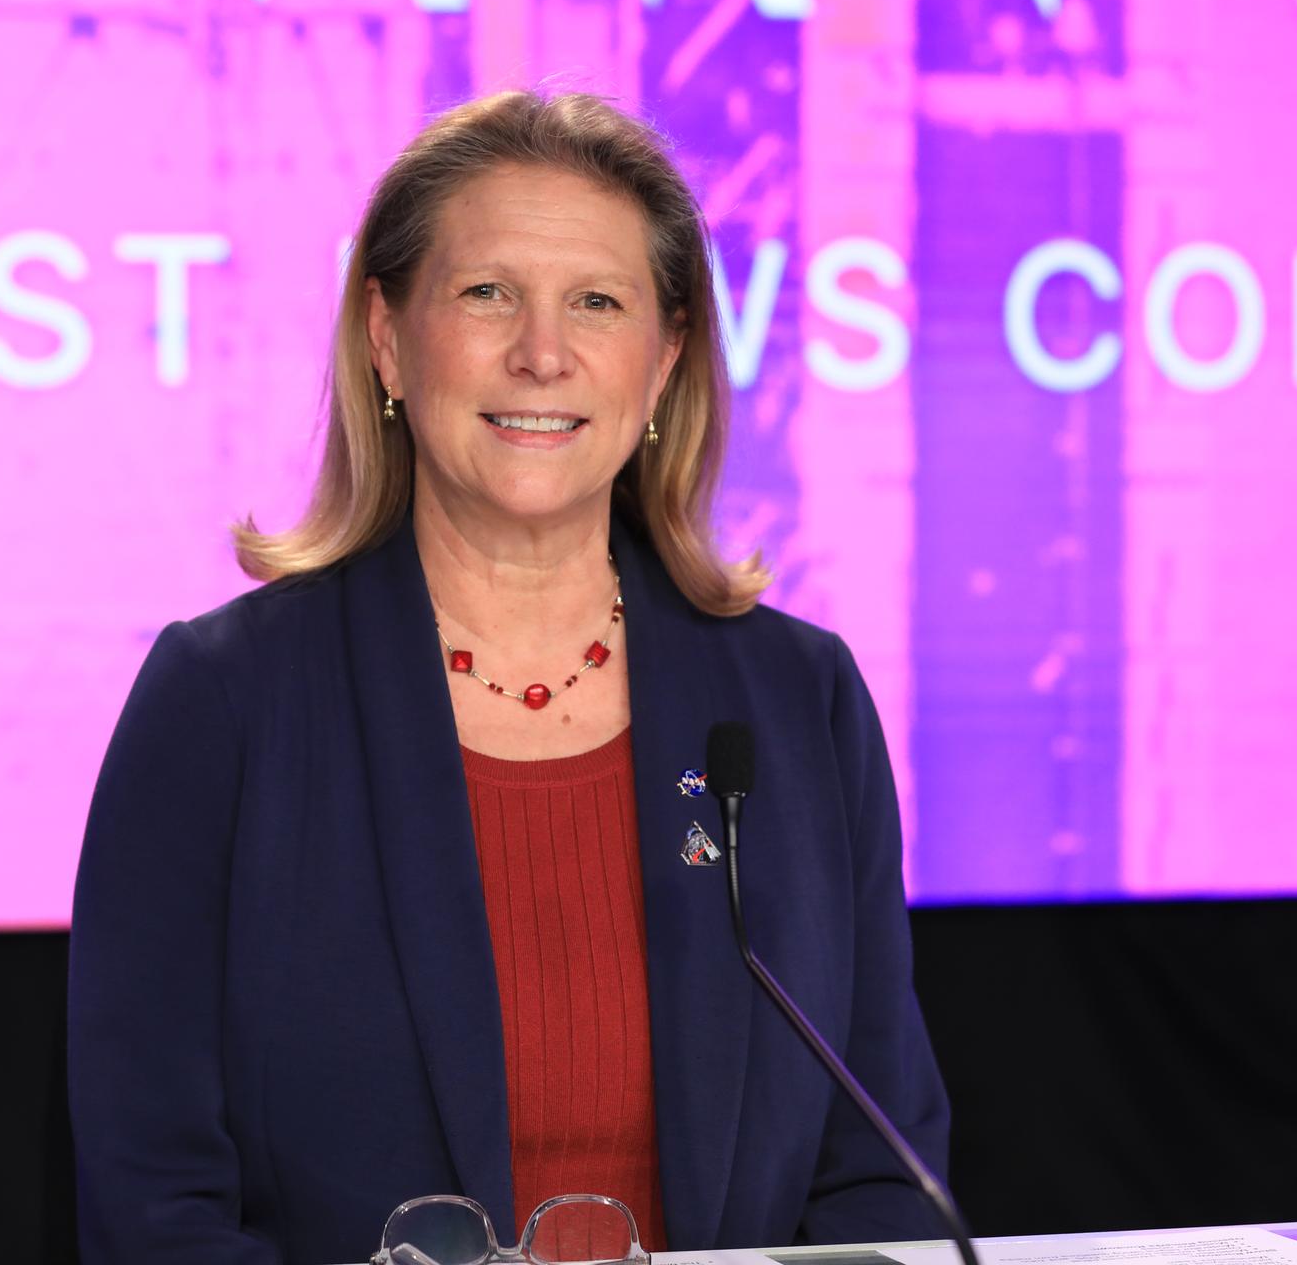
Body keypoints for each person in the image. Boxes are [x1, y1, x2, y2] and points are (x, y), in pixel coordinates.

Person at [67, 90, 950, 1265]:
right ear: (386, 337)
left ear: (666, 356)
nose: (543, 351)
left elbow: (880, 1171)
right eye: (487, 294)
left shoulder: (796, 701)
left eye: (598, 301)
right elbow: (150, 1200)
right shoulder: (225, 701)